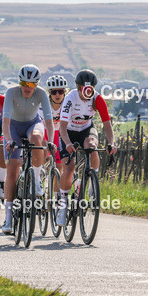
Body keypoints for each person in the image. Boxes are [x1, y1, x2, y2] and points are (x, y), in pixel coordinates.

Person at [56, 69, 117, 227]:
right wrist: (68, 143)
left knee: (92, 146)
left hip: (85, 130)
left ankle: (91, 183)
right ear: (78, 87)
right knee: (69, 168)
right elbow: (62, 127)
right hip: (68, 131)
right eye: (84, 89)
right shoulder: (70, 98)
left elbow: (107, 125)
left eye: (90, 89)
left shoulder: (97, 99)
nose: (87, 93)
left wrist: (111, 143)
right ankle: (62, 205)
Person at [0, 64, 55, 235]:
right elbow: (6, 122)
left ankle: (37, 179)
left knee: (38, 138)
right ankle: (8, 217)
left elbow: (48, 121)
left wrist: (51, 141)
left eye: (31, 84)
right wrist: (8, 140)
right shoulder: (11, 93)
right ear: (19, 82)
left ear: (37, 84)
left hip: (33, 124)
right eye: (24, 83)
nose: (27, 88)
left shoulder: (41, 94)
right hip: (14, 128)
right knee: (13, 169)